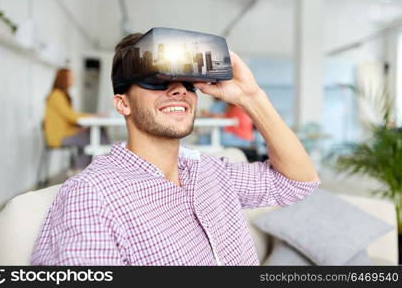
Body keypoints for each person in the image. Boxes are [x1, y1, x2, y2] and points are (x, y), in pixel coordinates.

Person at [31, 33, 320, 266]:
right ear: (123, 103)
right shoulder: (93, 195)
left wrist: (251, 97)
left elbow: (297, 183)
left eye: (186, 83)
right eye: (156, 81)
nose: (178, 90)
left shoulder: (211, 171)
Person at [44, 68, 109, 171]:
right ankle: (80, 168)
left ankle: (90, 167)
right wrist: (93, 116)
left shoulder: (63, 95)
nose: (73, 79)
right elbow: (70, 115)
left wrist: (79, 127)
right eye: (71, 77)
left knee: (98, 134)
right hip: (59, 137)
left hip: (67, 133)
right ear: (63, 79)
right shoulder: (56, 95)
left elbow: (67, 118)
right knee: (96, 139)